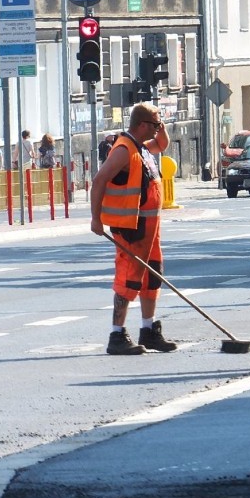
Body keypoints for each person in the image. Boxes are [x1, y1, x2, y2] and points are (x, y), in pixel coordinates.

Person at [90, 103, 176, 355]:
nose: (157, 129)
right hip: (130, 228)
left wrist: (161, 124)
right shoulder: (124, 150)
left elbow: (163, 144)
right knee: (128, 279)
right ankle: (116, 335)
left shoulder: (143, 149)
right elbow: (99, 181)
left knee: (152, 276)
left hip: (149, 230)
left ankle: (148, 331)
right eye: (154, 124)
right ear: (141, 125)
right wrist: (96, 219)